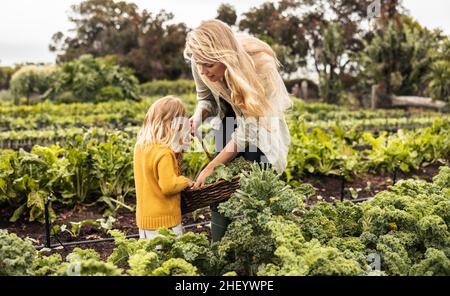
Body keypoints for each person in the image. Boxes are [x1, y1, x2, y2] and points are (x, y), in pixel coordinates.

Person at [184, 19, 292, 241]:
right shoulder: (200, 61)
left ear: (225, 58)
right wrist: (197, 117)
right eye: (199, 63)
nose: (203, 71)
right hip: (228, 117)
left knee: (257, 183)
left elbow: (248, 129)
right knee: (219, 188)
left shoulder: (261, 65)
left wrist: (211, 166)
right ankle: (219, 246)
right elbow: (206, 98)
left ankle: (260, 247)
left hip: (259, 124)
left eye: (209, 65)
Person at [133, 96, 194, 240]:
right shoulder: (165, 154)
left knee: (151, 260)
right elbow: (169, 186)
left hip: (145, 222)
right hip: (165, 223)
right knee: (172, 260)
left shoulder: (140, 147)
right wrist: (186, 181)